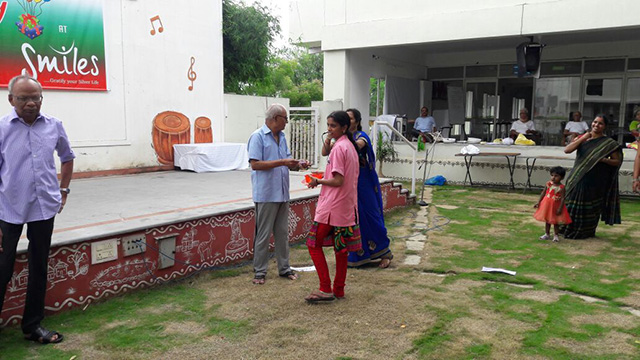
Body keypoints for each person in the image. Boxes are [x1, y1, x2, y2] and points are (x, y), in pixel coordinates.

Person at [0, 75, 74, 344]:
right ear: (11, 100)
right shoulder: (2, 129)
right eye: (23, 98)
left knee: (39, 266)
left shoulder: (54, 126)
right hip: (7, 210)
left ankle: (32, 326)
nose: (31, 103)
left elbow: (67, 158)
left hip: (44, 208)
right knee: (2, 266)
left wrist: (63, 191)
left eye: (36, 98)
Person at [247, 103, 309, 285]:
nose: (286, 123)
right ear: (275, 118)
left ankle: (284, 268)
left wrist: (297, 164)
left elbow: (287, 161)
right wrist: (282, 161)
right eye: (285, 119)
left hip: (282, 193)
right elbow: (255, 164)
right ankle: (259, 272)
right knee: (263, 235)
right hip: (266, 194)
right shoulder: (257, 137)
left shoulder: (281, 137)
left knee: (282, 233)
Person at [305, 111, 361, 302]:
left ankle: (325, 288)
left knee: (313, 244)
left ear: (343, 127)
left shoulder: (340, 148)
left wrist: (318, 182)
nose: (329, 129)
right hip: (345, 206)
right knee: (341, 248)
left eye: (333, 126)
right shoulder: (349, 146)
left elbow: (337, 181)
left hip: (333, 206)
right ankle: (338, 289)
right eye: (328, 125)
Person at [343, 108, 393, 268]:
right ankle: (359, 256)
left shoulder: (361, 136)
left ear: (357, 121)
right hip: (349, 185)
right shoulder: (341, 139)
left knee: (372, 217)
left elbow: (357, 146)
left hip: (364, 185)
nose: (347, 121)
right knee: (355, 220)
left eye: (350, 119)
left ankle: (384, 253)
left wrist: (341, 139)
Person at [561, 114, 622, 239]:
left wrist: (603, 160)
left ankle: (586, 231)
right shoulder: (583, 138)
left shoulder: (609, 143)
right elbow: (567, 150)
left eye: (600, 123)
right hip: (577, 176)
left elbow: (617, 161)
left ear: (604, 126)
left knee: (590, 206)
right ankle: (567, 228)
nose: (596, 125)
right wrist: (583, 138)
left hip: (595, 179)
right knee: (571, 203)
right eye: (595, 122)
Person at [533, 166, 572, 242]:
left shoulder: (561, 187)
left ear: (562, 178)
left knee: (555, 221)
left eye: (556, 176)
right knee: (547, 220)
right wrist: (538, 202)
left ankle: (556, 235)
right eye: (552, 175)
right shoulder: (548, 184)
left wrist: (560, 208)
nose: (553, 178)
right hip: (546, 204)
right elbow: (543, 193)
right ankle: (547, 234)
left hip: (555, 206)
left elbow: (563, 198)